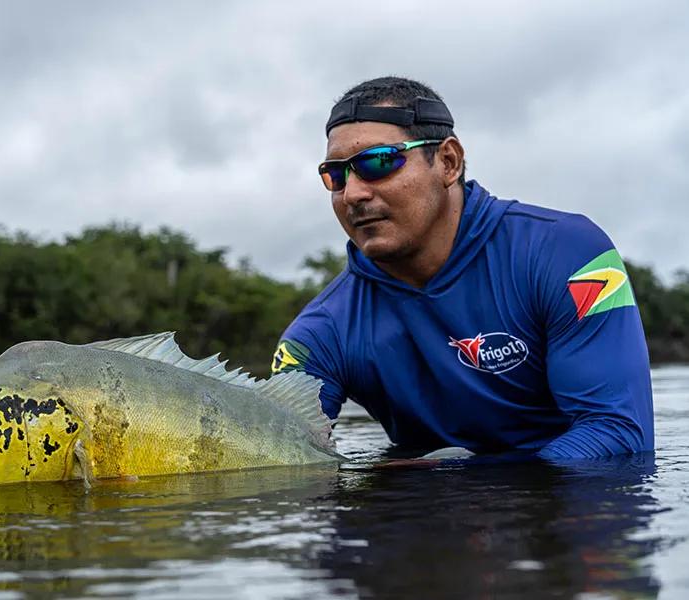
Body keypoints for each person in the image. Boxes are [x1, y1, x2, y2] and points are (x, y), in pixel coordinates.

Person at [272, 76, 654, 460]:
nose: (352, 193)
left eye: (378, 162)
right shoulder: (318, 336)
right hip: (424, 505)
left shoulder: (568, 254)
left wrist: (474, 489)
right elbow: (274, 458)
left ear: (448, 162)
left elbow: (618, 434)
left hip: (561, 506)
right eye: (336, 175)